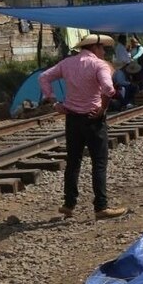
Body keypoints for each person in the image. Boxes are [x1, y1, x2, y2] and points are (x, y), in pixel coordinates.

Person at [40, 34, 127, 220]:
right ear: (94, 47)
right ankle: (101, 207)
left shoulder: (67, 63)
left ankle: (69, 204)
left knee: (73, 162)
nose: (103, 51)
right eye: (102, 48)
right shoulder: (99, 65)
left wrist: (54, 101)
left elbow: (43, 78)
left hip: (72, 119)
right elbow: (108, 89)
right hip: (93, 119)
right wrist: (103, 109)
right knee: (99, 163)